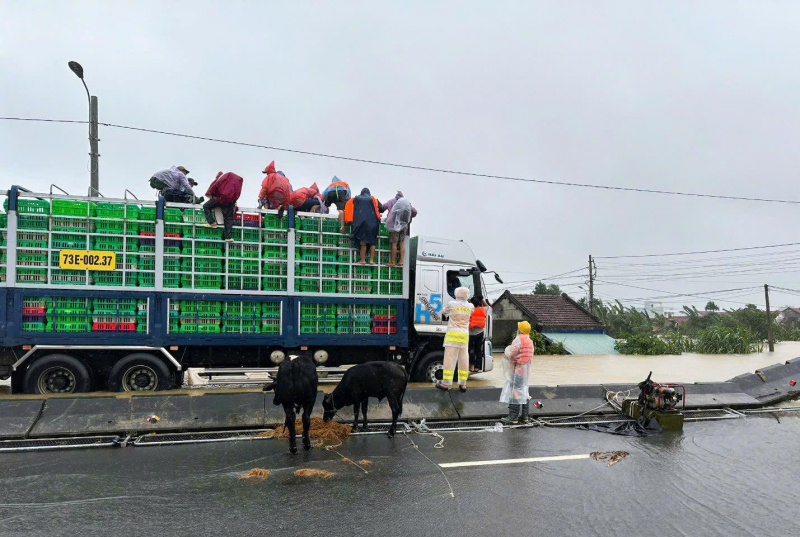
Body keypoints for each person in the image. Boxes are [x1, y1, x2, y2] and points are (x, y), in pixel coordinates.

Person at [436, 287, 474, 392]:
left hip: (452, 336)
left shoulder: (451, 304)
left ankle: (446, 384)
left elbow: (444, 312)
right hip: (464, 337)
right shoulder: (470, 306)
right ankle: (463, 384)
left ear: (457, 294)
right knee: (464, 359)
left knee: (449, 359)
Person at [500, 321, 533, 424]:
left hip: (518, 370)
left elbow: (512, 354)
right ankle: (525, 417)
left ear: (520, 330)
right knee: (524, 391)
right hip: (527, 370)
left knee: (516, 392)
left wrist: (506, 354)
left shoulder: (518, 340)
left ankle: (513, 417)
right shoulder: (530, 341)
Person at [344, 188, 383, 265]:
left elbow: (351, 208)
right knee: (372, 242)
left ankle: (363, 260)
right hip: (373, 224)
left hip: (361, 223)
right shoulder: (373, 199)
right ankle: (371, 260)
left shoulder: (357, 198)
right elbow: (381, 208)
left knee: (363, 242)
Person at [204, 171, 243, 242]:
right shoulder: (238, 181)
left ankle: (212, 222)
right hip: (229, 201)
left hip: (219, 198)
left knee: (206, 206)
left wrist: (213, 194)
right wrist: (233, 201)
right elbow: (238, 193)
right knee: (228, 219)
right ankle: (228, 237)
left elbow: (215, 186)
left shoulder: (222, 177)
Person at [384, 192, 416, 267]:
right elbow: (415, 212)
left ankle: (393, 262)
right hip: (404, 226)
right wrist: (410, 217)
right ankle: (401, 261)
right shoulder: (406, 203)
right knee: (401, 243)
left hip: (394, 226)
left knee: (394, 243)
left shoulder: (392, 201)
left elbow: (383, 207)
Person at [468, 297, 490, 372]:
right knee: (478, 350)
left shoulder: (470, 310)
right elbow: (488, 306)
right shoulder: (483, 309)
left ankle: (472, 366)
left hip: (471, 333)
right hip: (480, 333)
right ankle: (477, 367)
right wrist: (482, 299)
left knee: (471, 350)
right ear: (479, 303)